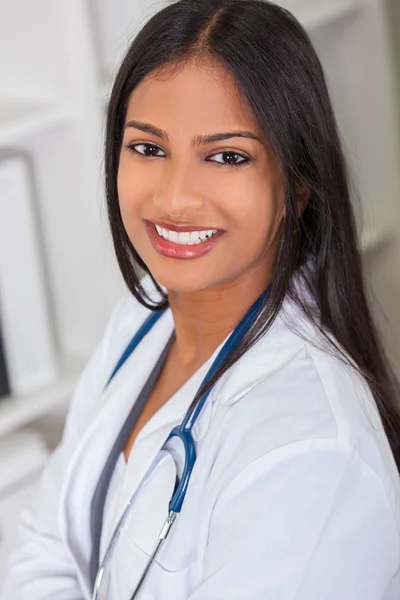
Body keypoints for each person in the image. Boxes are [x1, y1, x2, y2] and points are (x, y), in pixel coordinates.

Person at [3, 0, 400, 598]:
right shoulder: (140, 320)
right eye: (148, 148)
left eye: (227, 156)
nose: (176, 198)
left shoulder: (312, 452)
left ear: (297, 185)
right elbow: (45, 544)